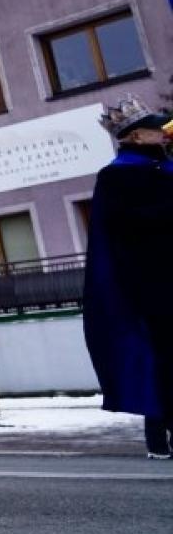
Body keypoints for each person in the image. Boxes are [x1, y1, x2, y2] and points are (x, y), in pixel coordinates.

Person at [83, 95, 173, 460]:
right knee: (159, 355)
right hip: (148, 282)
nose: (163, 134)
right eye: (155, 130)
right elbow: (125, 228)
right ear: (135, 137)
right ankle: (158, 433)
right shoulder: (116, 176)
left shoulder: (166, 169)